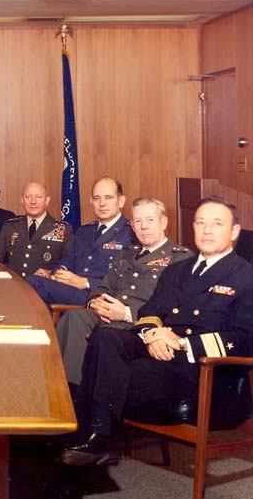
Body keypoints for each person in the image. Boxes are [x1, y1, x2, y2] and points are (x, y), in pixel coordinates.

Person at [61, 196, 253, 466]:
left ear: (233, 232)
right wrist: (152, 336)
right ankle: (97, 437)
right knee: (105, 337)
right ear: (193, 227)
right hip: (159, 354)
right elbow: (150, 312)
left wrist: (181, 343)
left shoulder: (245, 277)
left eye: (217, 224)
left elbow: (246, 339)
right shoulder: (176, 270)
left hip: (200, 369)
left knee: (112, 370)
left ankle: (90, 435)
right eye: (201, 223)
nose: (207, 230)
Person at [55, 197, 193, 384]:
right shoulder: (127, 253)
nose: (144, 226)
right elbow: (103, 287)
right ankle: (60, 384)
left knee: (97, 333)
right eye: (138, 221)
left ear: (163, 223)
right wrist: (95, 302)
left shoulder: (180, 258)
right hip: (106, 316)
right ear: (132, 227)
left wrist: (127, 314)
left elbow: (175, 309)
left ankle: (75, 391)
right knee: (73, 317)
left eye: (150, 220)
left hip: (138, 325)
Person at [25, 177, 135, 305]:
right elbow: (67, 261)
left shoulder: (130, 233)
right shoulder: (84, 232)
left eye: (108, 198)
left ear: (121, 201)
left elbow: (129, 279)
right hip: (73, 291)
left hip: (101, 297)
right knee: (32, 282)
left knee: (34, 283)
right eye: (97, 198)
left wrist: (85, 282)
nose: (102, 203)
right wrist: (57, 274)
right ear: (91, 201)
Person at [0, 181, 74, 278]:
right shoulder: (11, 226)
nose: (33, 202)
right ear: (22, 200)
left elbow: (71, 263)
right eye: (28, 197)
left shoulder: (62, 229)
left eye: (38, 197)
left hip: (43, 285)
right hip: (14, 284)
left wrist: (51, 273)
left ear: (47, 200)